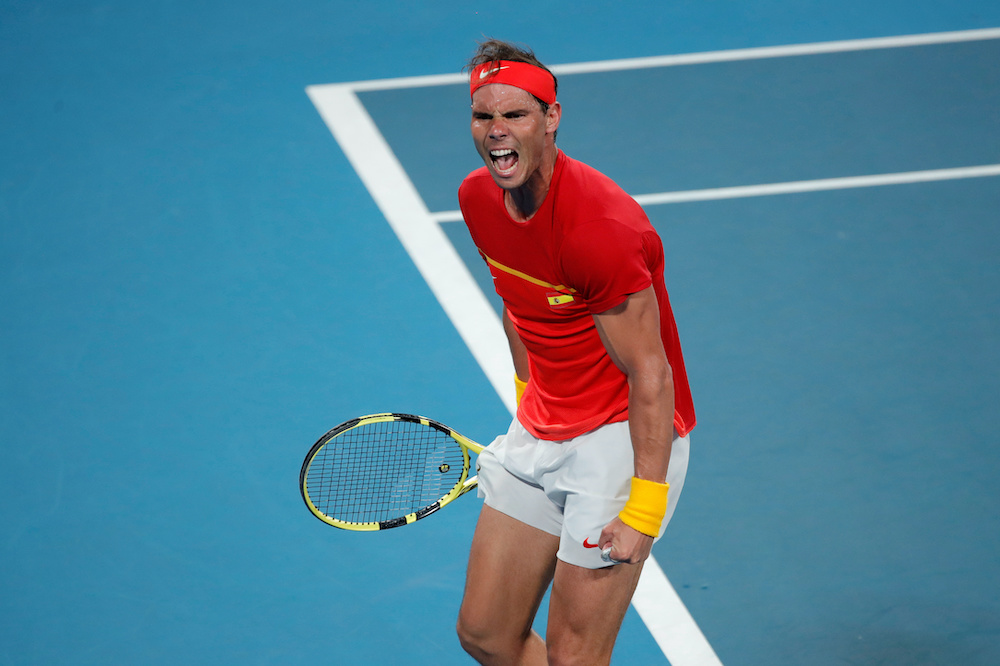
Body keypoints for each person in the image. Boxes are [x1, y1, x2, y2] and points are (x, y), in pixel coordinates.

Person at [455, 39, 696, 666]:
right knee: (486, 634)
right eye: (484, 116)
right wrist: (526, 405)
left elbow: (651, 372)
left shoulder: (598, 230)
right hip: (545, 424)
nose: (497, 132)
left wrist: (643, 508)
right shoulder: (477, 198)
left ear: (552, 117)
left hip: (620, 441)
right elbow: (519, 303)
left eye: (517, 115)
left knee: (575, 657)